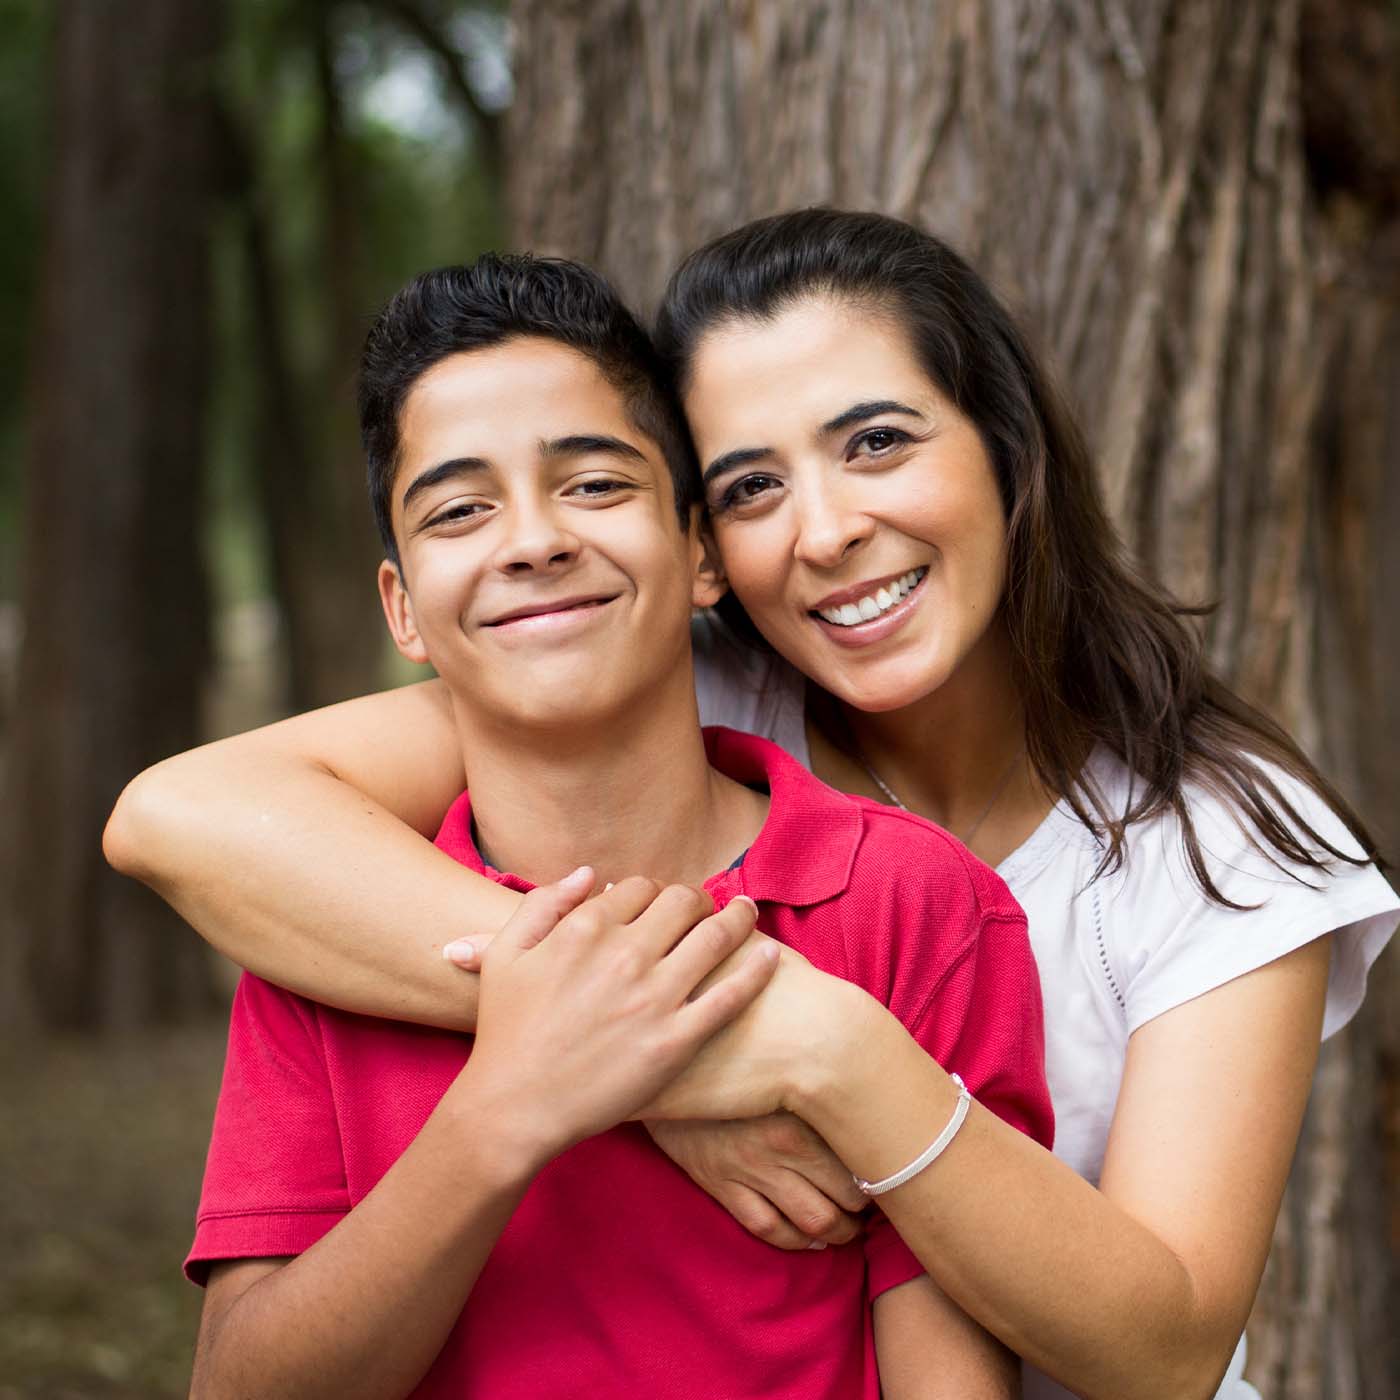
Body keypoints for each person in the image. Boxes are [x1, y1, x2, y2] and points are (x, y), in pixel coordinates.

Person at [106, 211, 1398, 1400]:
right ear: (709, 550)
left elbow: (1169, 1348)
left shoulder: (1218, 841)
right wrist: (639, 1048)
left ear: (1008, 454)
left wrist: (826, 1057)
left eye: (878, 442)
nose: (825, 532)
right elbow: (187, 815)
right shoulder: (671, 669)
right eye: (752, 485)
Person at [176, 253, 1054, 1400]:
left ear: (698, 552)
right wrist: (508, 1108)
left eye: (592, 484)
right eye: (458, 509)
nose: (532, 539)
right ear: (403, 608)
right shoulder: (321, 940)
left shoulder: (906, 902)